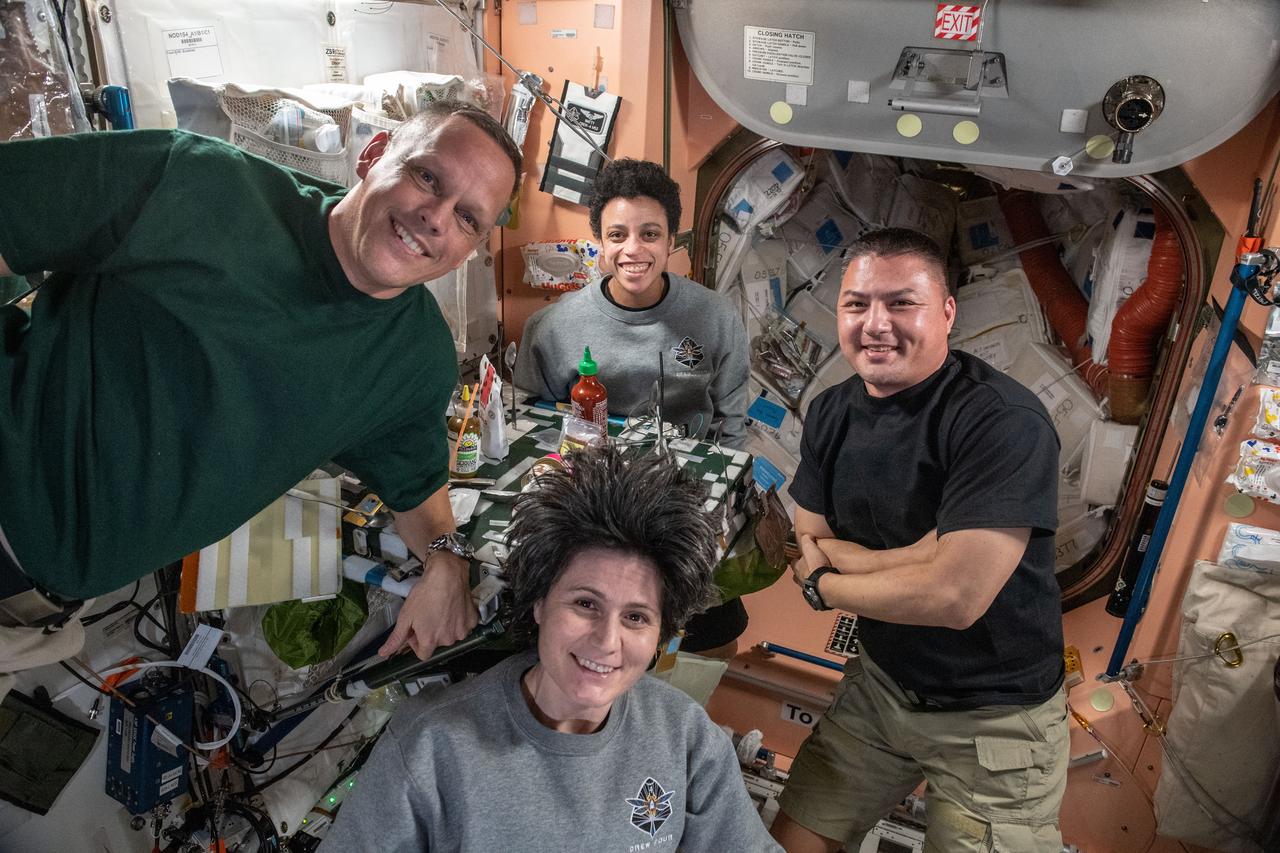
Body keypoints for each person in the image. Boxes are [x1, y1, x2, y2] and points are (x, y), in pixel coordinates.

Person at [0, 100, 518, 664]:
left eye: (469, 218)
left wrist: (445, 562)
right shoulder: (196, 181)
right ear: (375, 154)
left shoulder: (414, 355)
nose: (437, 216)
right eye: (426, 176)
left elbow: (417, 486)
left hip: (30, 615)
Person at [318, 446, 782, 852]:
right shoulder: (429, 748)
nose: (606, 641)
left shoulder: (685, 738)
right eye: (585, 604)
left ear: (662, 634)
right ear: (539, 602)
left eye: (636, 617)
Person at [770, 228, 1070, 852]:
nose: (876, 324)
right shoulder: (829, 412)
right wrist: (921, 554)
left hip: (995, 717)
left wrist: (826, 587)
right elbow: (809, 533)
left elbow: (955, 598)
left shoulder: (1000, 422)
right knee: (792, 840)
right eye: (857, 304)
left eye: (901, 303)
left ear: (947, 313)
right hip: (883, 686)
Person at [516, 157, 752, 658]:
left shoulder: (715, 317)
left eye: (649, 234)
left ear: (672, 242)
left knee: (712, 634)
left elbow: (733, 421)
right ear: (598, 242)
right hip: (589, 505)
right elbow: (532, 427)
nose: (633, 249)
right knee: (593, 632)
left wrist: (718, 505)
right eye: (617, 234)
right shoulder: (552, 328)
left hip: (686, 499)